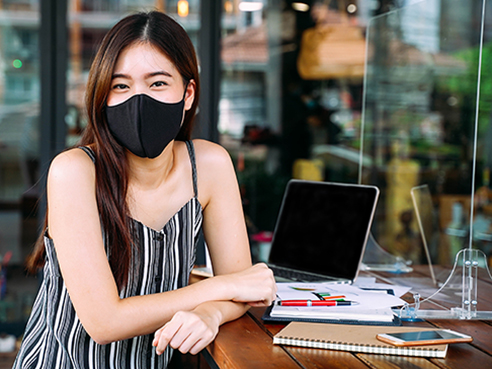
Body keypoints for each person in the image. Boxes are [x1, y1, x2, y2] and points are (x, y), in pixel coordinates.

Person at [13, 11, 276, 369]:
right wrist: (219, 289)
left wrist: (211, 315)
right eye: (121, 86)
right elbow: (105, 322)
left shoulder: (210, 166)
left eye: (157, 84)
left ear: (187, 93)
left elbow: (241, 289)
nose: (139, 101)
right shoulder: (74, 171)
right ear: (103, 96)